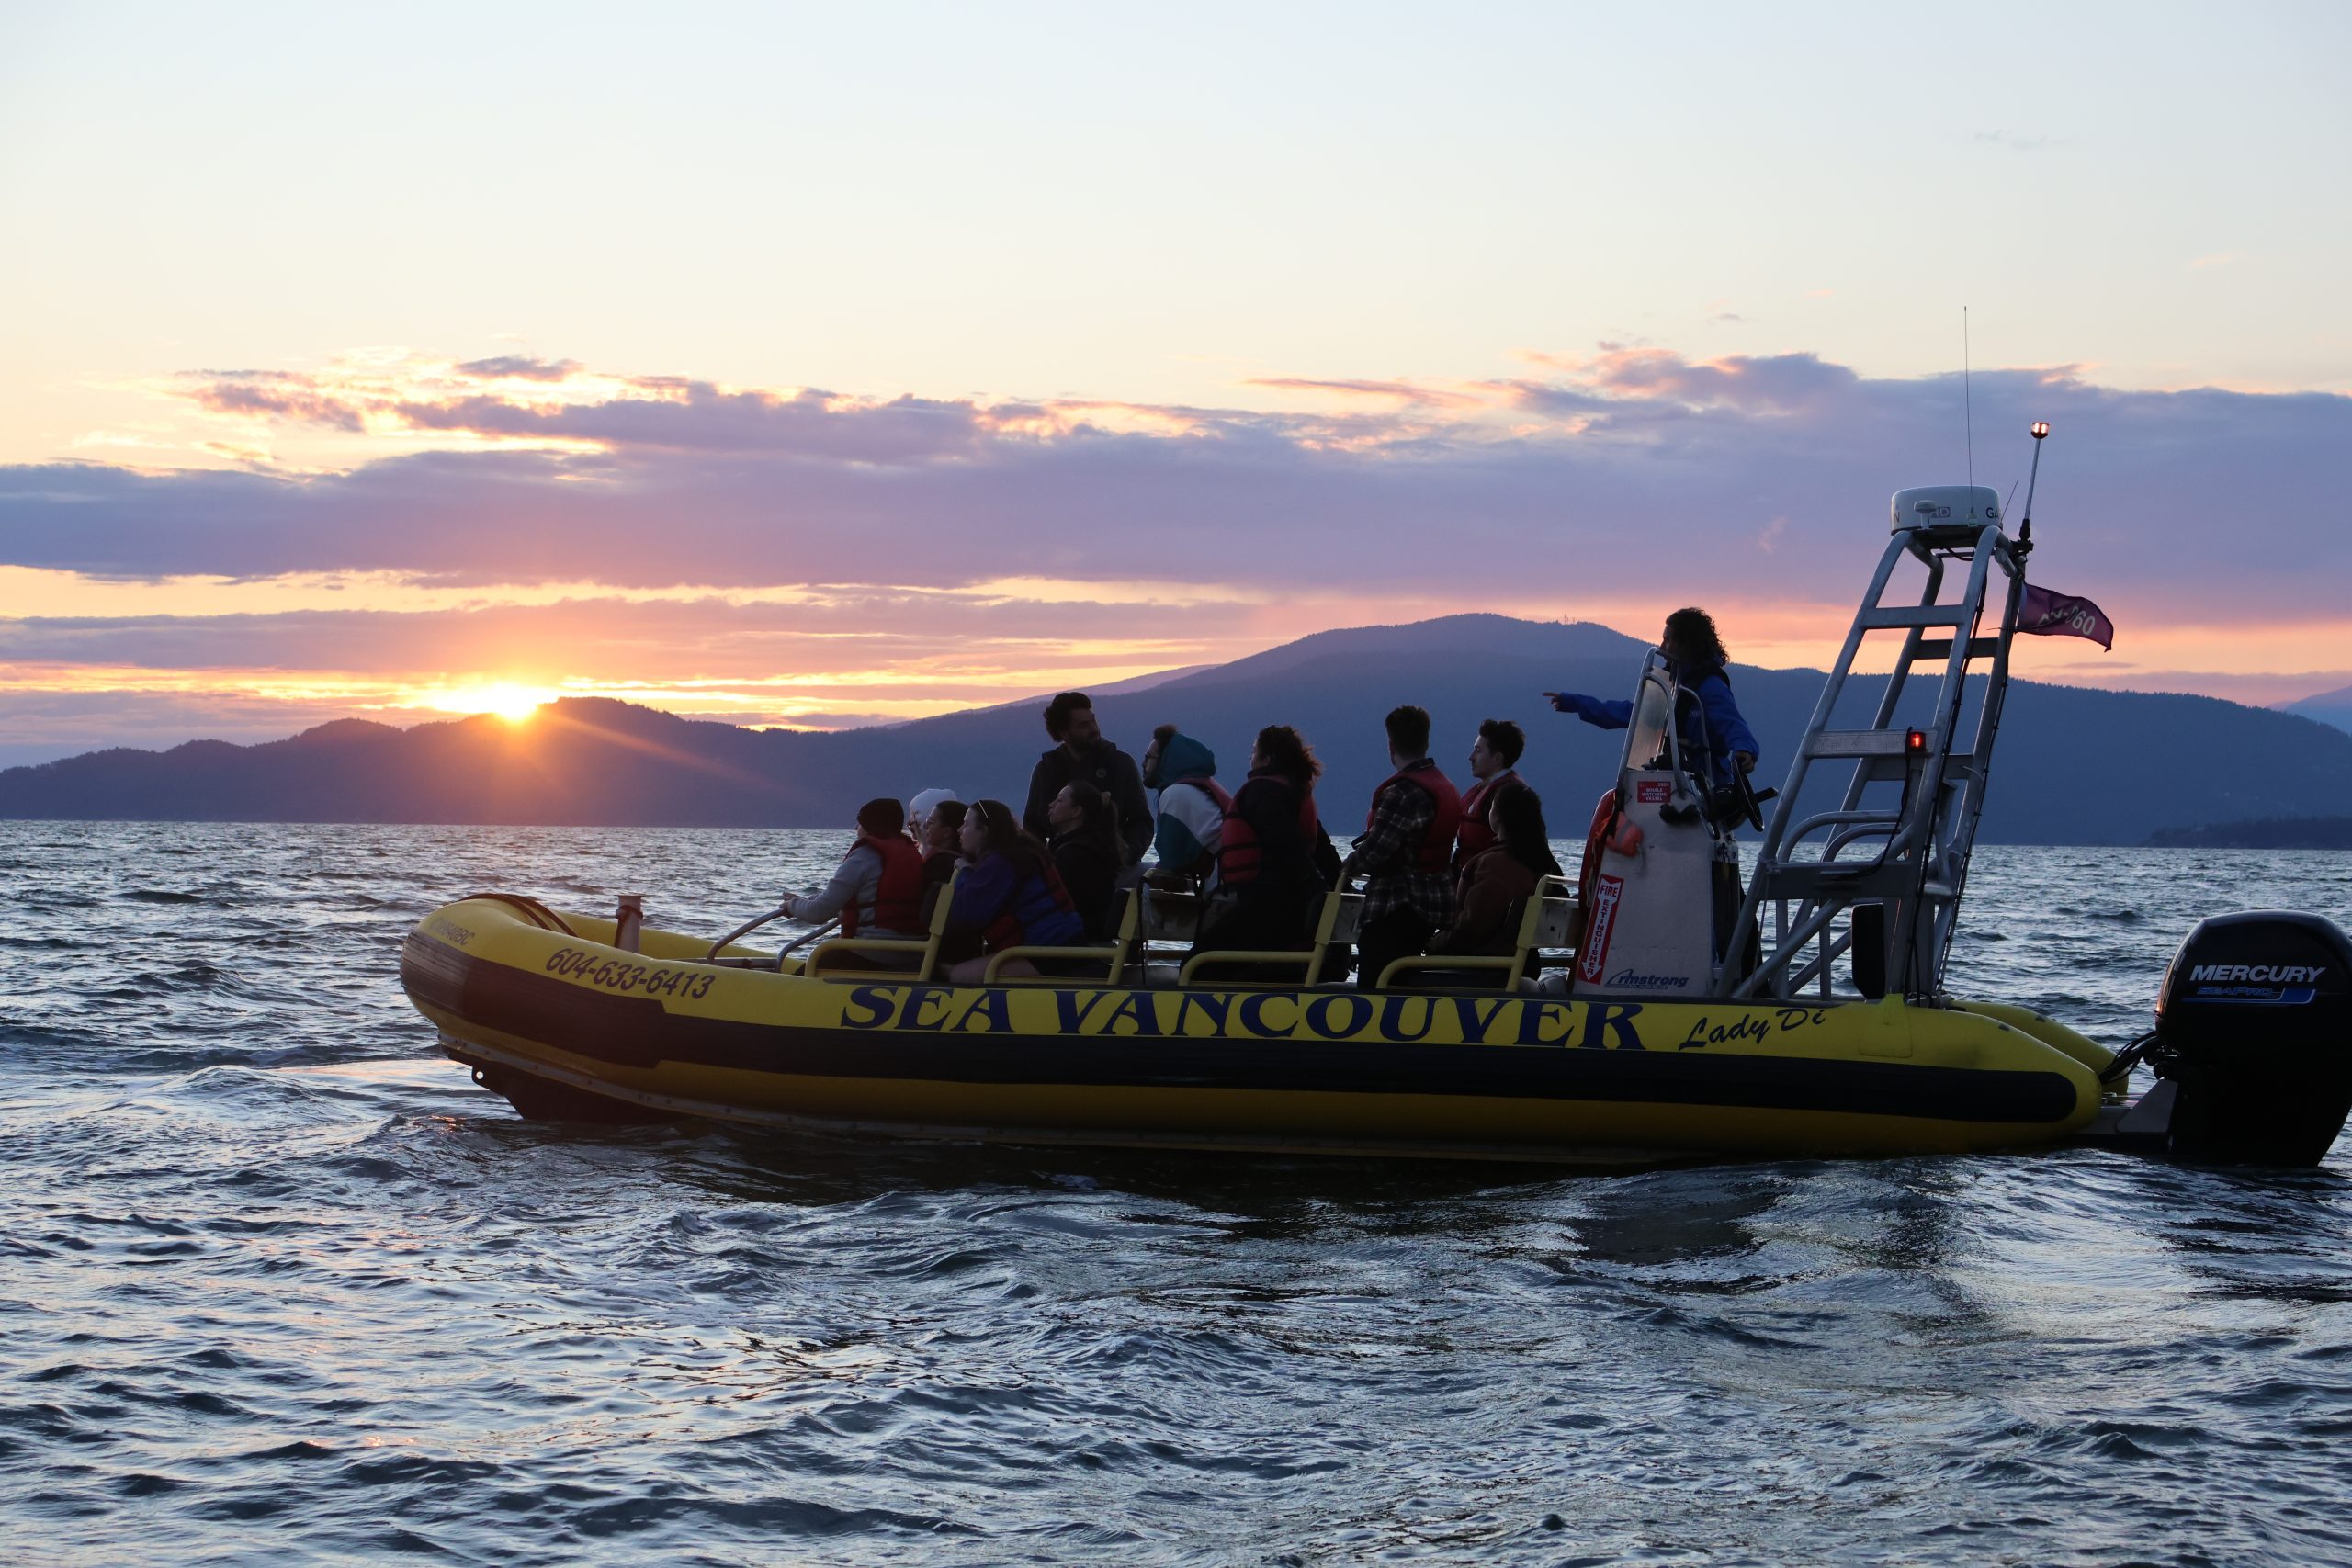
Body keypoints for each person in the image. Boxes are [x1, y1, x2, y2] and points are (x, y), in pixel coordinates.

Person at [1544, 606, 1760, 795]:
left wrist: (1745, 750)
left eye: (1668, 640)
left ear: (1687, 644)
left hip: (1703, 791)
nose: (1662, 646)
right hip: (1673, 785)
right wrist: (1574, 703)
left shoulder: (1710, 687)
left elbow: (1732, 723)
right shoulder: (1670, 686)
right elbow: (1629, 713)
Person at [1338, 705, 1463, 989]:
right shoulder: (1445, 786)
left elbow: (1375, 852)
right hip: (1436, 903)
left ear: (1390, 745)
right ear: (1426, 741)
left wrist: (1346, 868)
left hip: (1398, 902)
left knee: (1376, 981)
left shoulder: (1401, 792)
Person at [1193, 725, 1329, 965]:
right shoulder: (1296, 792)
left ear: (1267, 759)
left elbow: (1286, 846)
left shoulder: (1262, 793)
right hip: (1290, 906)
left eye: (1254, 751)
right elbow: (1323, 852)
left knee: (1197, 963)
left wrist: (1313, 889)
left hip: (1267, 905)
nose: (1250, 758)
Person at [944, 798, 1087, 982]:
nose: (959, 831)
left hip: (1048, 955)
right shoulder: (1020, 852)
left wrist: (964, 871)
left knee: (957, 975)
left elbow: (966, 913)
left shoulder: (1001, 862)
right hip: (1063, 945)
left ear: (984, 832)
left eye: (966, 825)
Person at [781, 797, 928, 960]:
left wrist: (791, 905)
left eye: (860, 823)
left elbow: (818, 913)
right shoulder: (913, 855)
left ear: (870, 826)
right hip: (913, 955)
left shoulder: (863, 857)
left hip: (870, 953)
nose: (856, 828)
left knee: (813, 963)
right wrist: (806, 900)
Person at [1430, 784, 1564, 963]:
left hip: (1487, 965)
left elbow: (1472, 929)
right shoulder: (1544, 864)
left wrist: (1431, 944)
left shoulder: (1498, 866)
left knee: (1397, 971)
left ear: (1500, 816)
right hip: (1522, 963)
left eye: (1492, 807)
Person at [1021, 692, 1151, 864]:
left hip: (1115, 866)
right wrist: (1042, 863)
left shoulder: (1120, 764)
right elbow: (1032, 825)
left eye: (1093, 720)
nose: (1094, 729)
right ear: (1064, 733)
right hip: (1061, 865)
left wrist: (1128, 855)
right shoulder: (1046, 770)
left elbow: (1141, 820)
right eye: (1083, 725)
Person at [1142, 724, 1227, 889]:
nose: (1143, 764)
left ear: (1166, 761)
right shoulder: (1198, 790)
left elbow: (1171, 864)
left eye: (1148, 757)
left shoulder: (1175, 794)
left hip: (1223, 890)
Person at [1046, 780, 1125, 941]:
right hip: (1088, 938)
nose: (1051, 804)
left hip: (1071, 942)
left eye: (1060, 800)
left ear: (1076, 811)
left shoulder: (1072, 855)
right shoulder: (1093, 847)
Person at [1454, 718, 1526, 866]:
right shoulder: (1483, 790)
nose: (1471, 757)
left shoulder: (1511, 797)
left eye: (1478, 750)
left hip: (1489, 881)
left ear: (1497, 758)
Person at [914, 796, 967, 923]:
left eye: (930, 822)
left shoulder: (938, 865)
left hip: (927, 939)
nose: (925, 826)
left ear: (947, 832)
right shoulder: (961, 862)